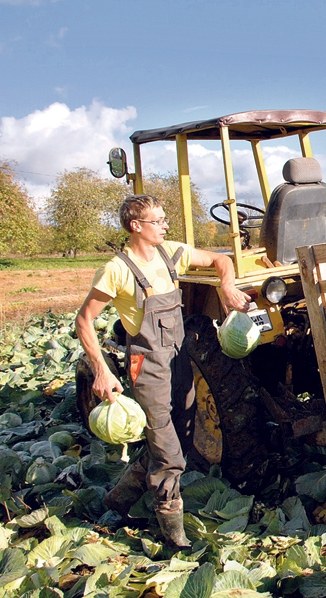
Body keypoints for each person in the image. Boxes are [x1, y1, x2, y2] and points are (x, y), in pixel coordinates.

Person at [75, 194, 251, 549]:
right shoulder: (117, 269)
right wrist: (101, 371)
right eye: (158, 221)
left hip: (179, 358)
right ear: (136, 226)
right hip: (148, 367)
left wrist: (227, 285)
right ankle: (173, 535)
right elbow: (84, 320)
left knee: (183, 438)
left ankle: (119, 500)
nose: (166, 225)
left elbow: (221, 258)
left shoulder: (171, 252)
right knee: (170, 454)